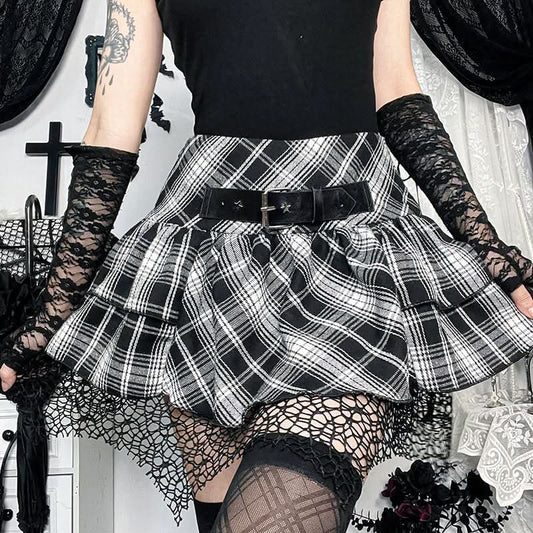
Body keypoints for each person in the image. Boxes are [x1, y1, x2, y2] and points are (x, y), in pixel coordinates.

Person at [2, 0, 533, 532]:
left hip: (349, 262)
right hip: (213, 275)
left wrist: (486, 245)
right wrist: (49, 315)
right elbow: (110, 130)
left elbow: (397, 93)